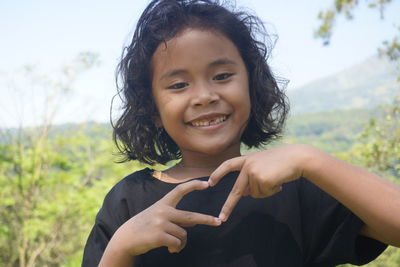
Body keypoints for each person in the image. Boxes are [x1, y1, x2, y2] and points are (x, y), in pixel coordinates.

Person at [82, 0, 400, 266]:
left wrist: (309, 159)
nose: (204, 95)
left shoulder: (294, 189)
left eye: (222, 75)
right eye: (179, 84)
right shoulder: (127, 202)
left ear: (251, 83)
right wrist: (119, 249)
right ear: (152, 109)